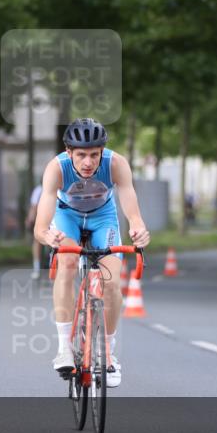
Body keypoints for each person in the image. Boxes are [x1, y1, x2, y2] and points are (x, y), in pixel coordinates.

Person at [33, 118, 151, 388]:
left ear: (102, 153)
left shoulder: (116, 164)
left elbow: (131, 207)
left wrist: (138, 227)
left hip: (103, 218)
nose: (88, 162)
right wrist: (47, 235)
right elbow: (41, 225)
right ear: (68, 152)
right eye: (81, 155)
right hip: (67, 218)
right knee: (68, 261)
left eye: (94, 155)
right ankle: (64, 348)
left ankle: (107, 354)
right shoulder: (57, 169)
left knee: (111, 282)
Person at [25, 181, 44, 279]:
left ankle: (37, 269)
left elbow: (34, 207)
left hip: (42, 219)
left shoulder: (39, 190)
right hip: (55, 218)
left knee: (37, 241)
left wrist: (30, 219)